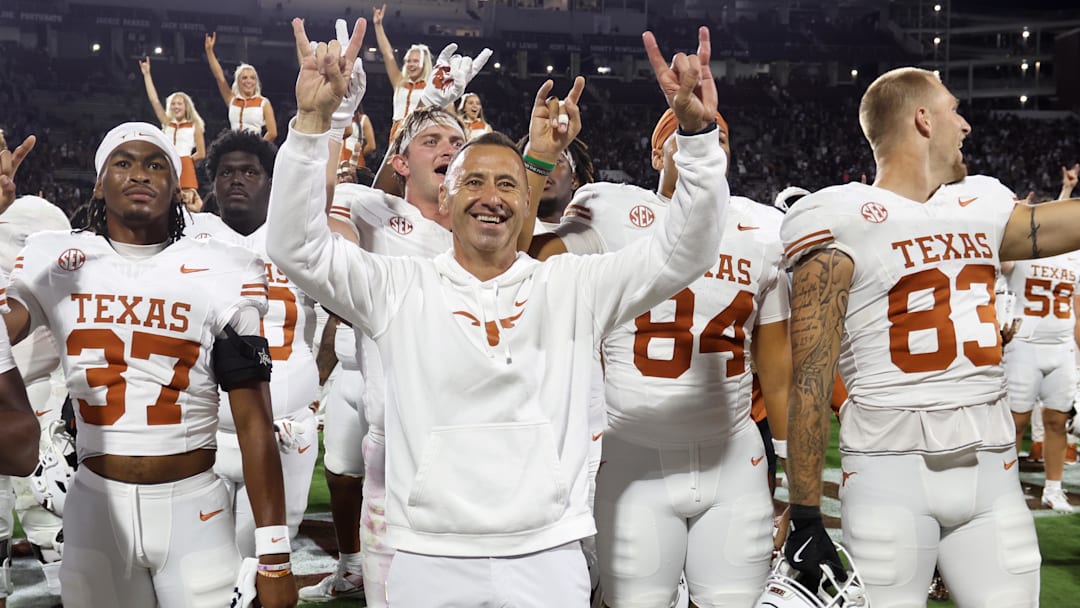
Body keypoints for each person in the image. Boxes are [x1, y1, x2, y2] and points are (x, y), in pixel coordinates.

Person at [273, 19, 725, 606]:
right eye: (475, 181)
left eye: (508, 184)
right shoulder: (397, 286)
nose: (492, 195)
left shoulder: (570, 285)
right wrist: (312, 125)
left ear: (526, 200)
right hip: (428, 552)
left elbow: (685, 250)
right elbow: (295, 245)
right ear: (449, 197)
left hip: (547, 550)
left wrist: (696, 138)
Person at [776, 66, 1080, 606]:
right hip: (888, 473)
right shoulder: (839, 214)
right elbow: (811, 377)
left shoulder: (982, 201)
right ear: (923, 119)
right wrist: (804, 515)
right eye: (954, 110)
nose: (965, 126)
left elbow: (1056, 225)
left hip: (993, 469)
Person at [0, 125, 295, 608]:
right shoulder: (55, 258)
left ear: (177, 186)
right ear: (98, 184)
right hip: (96, 505)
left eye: (156, 164)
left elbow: (253, 420)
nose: (140, 173)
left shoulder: (225, 268)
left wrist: (275, 556)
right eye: (124, 162)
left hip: (194, 506)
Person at [531, 108, 790, 606]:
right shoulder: (610, 210)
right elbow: (526, 263)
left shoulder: (761, 228)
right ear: (656, 153)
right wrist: (538, 160)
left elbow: (778, 374)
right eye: (687, 136)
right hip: (634, 455)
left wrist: (799, 490)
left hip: (734, 458)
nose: (706, 145)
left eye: (718, 138)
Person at [185, 128, 320, 557]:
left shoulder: (300, 240)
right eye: (226, 172)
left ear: (270, 182)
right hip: (207, 430)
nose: (236, 179)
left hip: (286, 426)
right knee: (202, 562)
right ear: (214, 183)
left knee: (265, 559)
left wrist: (313, 386)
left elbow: (341, 318)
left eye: (249, 171)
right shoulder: (188, 236)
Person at [0, 192, 71, 600]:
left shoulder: (37, 214)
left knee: (48, 516)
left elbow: (72, 298)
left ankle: (69, 594)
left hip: (36, 386)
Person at [1000, 163, 1080, 513]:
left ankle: (1053, 488)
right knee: (1015, 421)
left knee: (1057, 420)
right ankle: (1005, 488)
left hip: (1061, 345)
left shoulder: (1075, 256)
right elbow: (1000, 259)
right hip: (1024, 344)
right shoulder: (1021, 251)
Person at [138, 55, 206, 209]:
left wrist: (185, 161)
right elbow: (154, 100)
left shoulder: (194, 125)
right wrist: (147, 74)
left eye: (179, 104)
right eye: (173, 104)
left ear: (186, 106)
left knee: (190, 205)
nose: (176, 106)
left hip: (185, 165)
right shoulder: (167, 122)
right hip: (166, 164)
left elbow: (201, 153)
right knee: (164, 201)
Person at [372, 3, 432, 142]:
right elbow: (388, 54)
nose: (411, 64)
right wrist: (378, 25)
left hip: (420, 131)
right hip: (397, 131)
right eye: (409, 61)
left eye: (415, 61)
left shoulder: (430, 86)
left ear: (424, 63)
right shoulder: (399, 80)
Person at [205, 32, 278, 141]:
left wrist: (257, 148)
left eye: (252, 78)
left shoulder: (263, 103)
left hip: (253, 149)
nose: (249, 81)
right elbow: (220, 78)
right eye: (244, 78)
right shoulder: (232, 99)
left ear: (256, 82)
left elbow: (272, 133)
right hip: (232, 146)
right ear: (238, 81)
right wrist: (209, 51)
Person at [517, 135, 595, 230]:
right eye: (530, 164)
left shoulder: (594, 236)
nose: (542, 168)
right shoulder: (505, 236)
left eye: (554, 161)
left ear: (574, 180)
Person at [340, 104, 376, 170]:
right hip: (338, 159)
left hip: (355, 162)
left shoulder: (362, 119)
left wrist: (358, 154)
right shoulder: (337, 118)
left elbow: (371, 146)